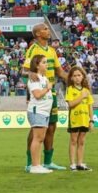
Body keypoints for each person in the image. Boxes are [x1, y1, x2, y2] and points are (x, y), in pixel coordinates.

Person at [23, 24, 67, 171]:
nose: (49, 31)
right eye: (45, 29)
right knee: (36, 128)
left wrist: (74, 78)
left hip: (51, 92)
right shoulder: (33, 49)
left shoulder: (52, 51)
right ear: (37, 33)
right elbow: (24, 70)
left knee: (52, 126)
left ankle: (48, 161)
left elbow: (60, 72)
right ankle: (30, 162)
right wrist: (31, 73)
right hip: (39, 91)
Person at [26, 55, 54, 174]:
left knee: (40, 138)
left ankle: (37, 164)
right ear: (37, 65)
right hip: (37, 111)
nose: (47, 64)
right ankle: (35, 165)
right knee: (37, 138)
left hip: (44, 111)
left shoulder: (43, 78)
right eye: (44, 62)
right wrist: (48, 88)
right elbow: (37, 95)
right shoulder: (34, 78)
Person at [65, 66, 93, 171]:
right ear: (71, 78)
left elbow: (90, 106)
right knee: (73, 141)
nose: (77, 77)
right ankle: (72, 164)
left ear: (83, 77)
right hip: (74, 120)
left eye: (79, 75)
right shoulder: (70, 89)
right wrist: (81, 96)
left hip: (84, 119)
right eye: (75, 76)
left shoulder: (87, 90)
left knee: (81, 142)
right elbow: (71, 104)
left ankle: (80, 163)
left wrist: (91, 120)